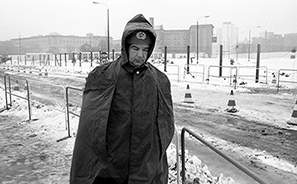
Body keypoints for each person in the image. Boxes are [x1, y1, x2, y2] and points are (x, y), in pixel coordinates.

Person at [70, 14, 175, 184]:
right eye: (135, 48)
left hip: (144, 170)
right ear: (125, 46)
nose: (140, 55)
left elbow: (165, 129)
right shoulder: (103, 76)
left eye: (145, 50)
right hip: (111, 170)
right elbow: (89, 130)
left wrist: (154, 164)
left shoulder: (159, 81)